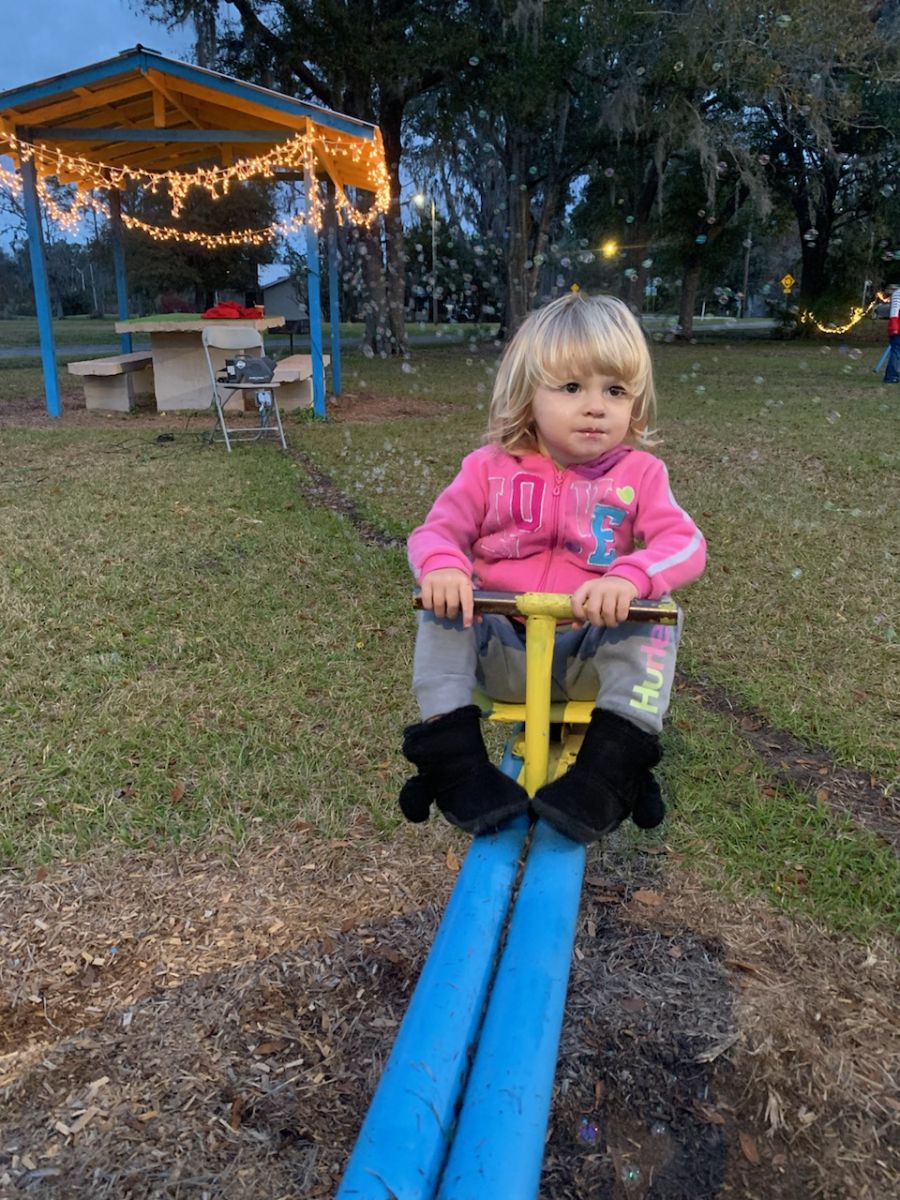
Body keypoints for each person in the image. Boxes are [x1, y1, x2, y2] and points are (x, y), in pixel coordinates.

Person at [398, 292, 707, 843]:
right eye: (571, 388)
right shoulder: (487, 469)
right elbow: (435, 532)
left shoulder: (642, 472)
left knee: (655, 614)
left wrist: (628, 576)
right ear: (526, 396)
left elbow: (685, 543)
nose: (596, 406)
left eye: (615, 390)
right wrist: (444, 567)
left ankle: (611, 770)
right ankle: (454, 760)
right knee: (445, 607)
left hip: (592, 651)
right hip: (503, 652)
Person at [884, 284, 900, 383]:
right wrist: (894, 327)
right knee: (896, 352)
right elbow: (894, 312)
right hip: (897, 329)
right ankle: (891, 376)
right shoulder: (898, 294)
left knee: (896, 352)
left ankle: (894, 375)